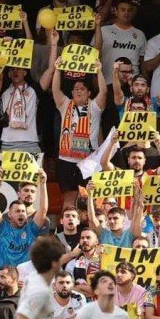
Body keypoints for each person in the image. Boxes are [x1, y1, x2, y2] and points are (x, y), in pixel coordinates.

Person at [51, 58, 108, 208]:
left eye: (82, 89)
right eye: (76, 89)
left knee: (91, 198)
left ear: (89, 93)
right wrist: (57, 69)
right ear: (71, 92)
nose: (78, 91)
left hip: (89, 159)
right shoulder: (65, 105)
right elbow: (55, 90)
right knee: (69, 199)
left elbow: (104, 91)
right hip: (66, 159)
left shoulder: (95, 107)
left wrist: (99, 71)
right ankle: (67, 229)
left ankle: (90, 228)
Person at [0, 166, 49, 268]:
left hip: (24, 278)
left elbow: (43, 210)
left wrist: (43, 184)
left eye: (23, 211)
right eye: (17, 211)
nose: (21, 213)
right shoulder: (2, 227)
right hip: (4, 276)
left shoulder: (31, 229)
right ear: (9, 214)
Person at [94, 0, 146, 86]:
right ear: (116, 12)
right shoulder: (103, 30)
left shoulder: (140, 34)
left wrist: (145, 81)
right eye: (123, 10)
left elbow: (143, 63)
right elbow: (94, 55)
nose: (126, 13)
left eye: (129, 10)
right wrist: (93, 77)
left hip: (132, 84)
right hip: (107, 82)